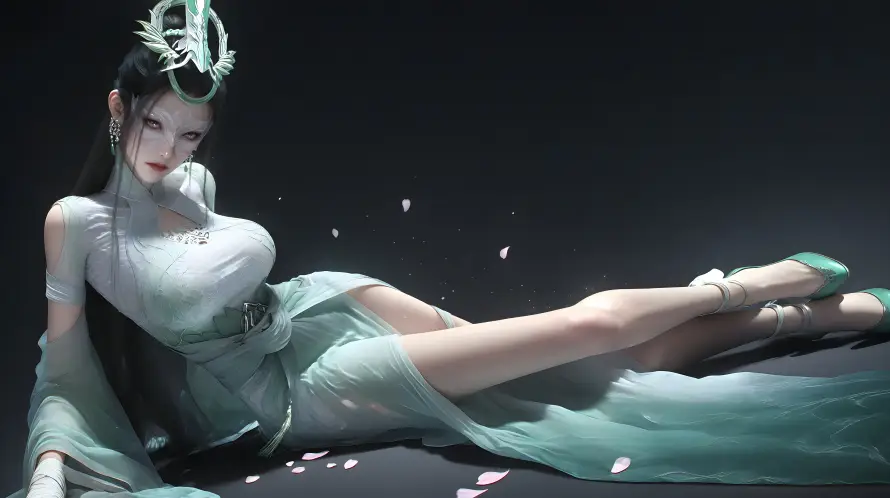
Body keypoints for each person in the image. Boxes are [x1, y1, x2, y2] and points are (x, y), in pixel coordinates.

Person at [14, 2, 890, 497]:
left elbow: (231, 273)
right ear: (117, 108)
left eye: (191, 134)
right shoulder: (75, 222)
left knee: (577, 370)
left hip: (324, 306)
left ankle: (789, 313)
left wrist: (185, 187)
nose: (171, 150)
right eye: (156, 125)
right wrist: (53, 466)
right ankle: (751, 294)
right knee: (579, 334)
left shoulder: (192, 185)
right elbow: (67, 367)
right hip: (301, 393)